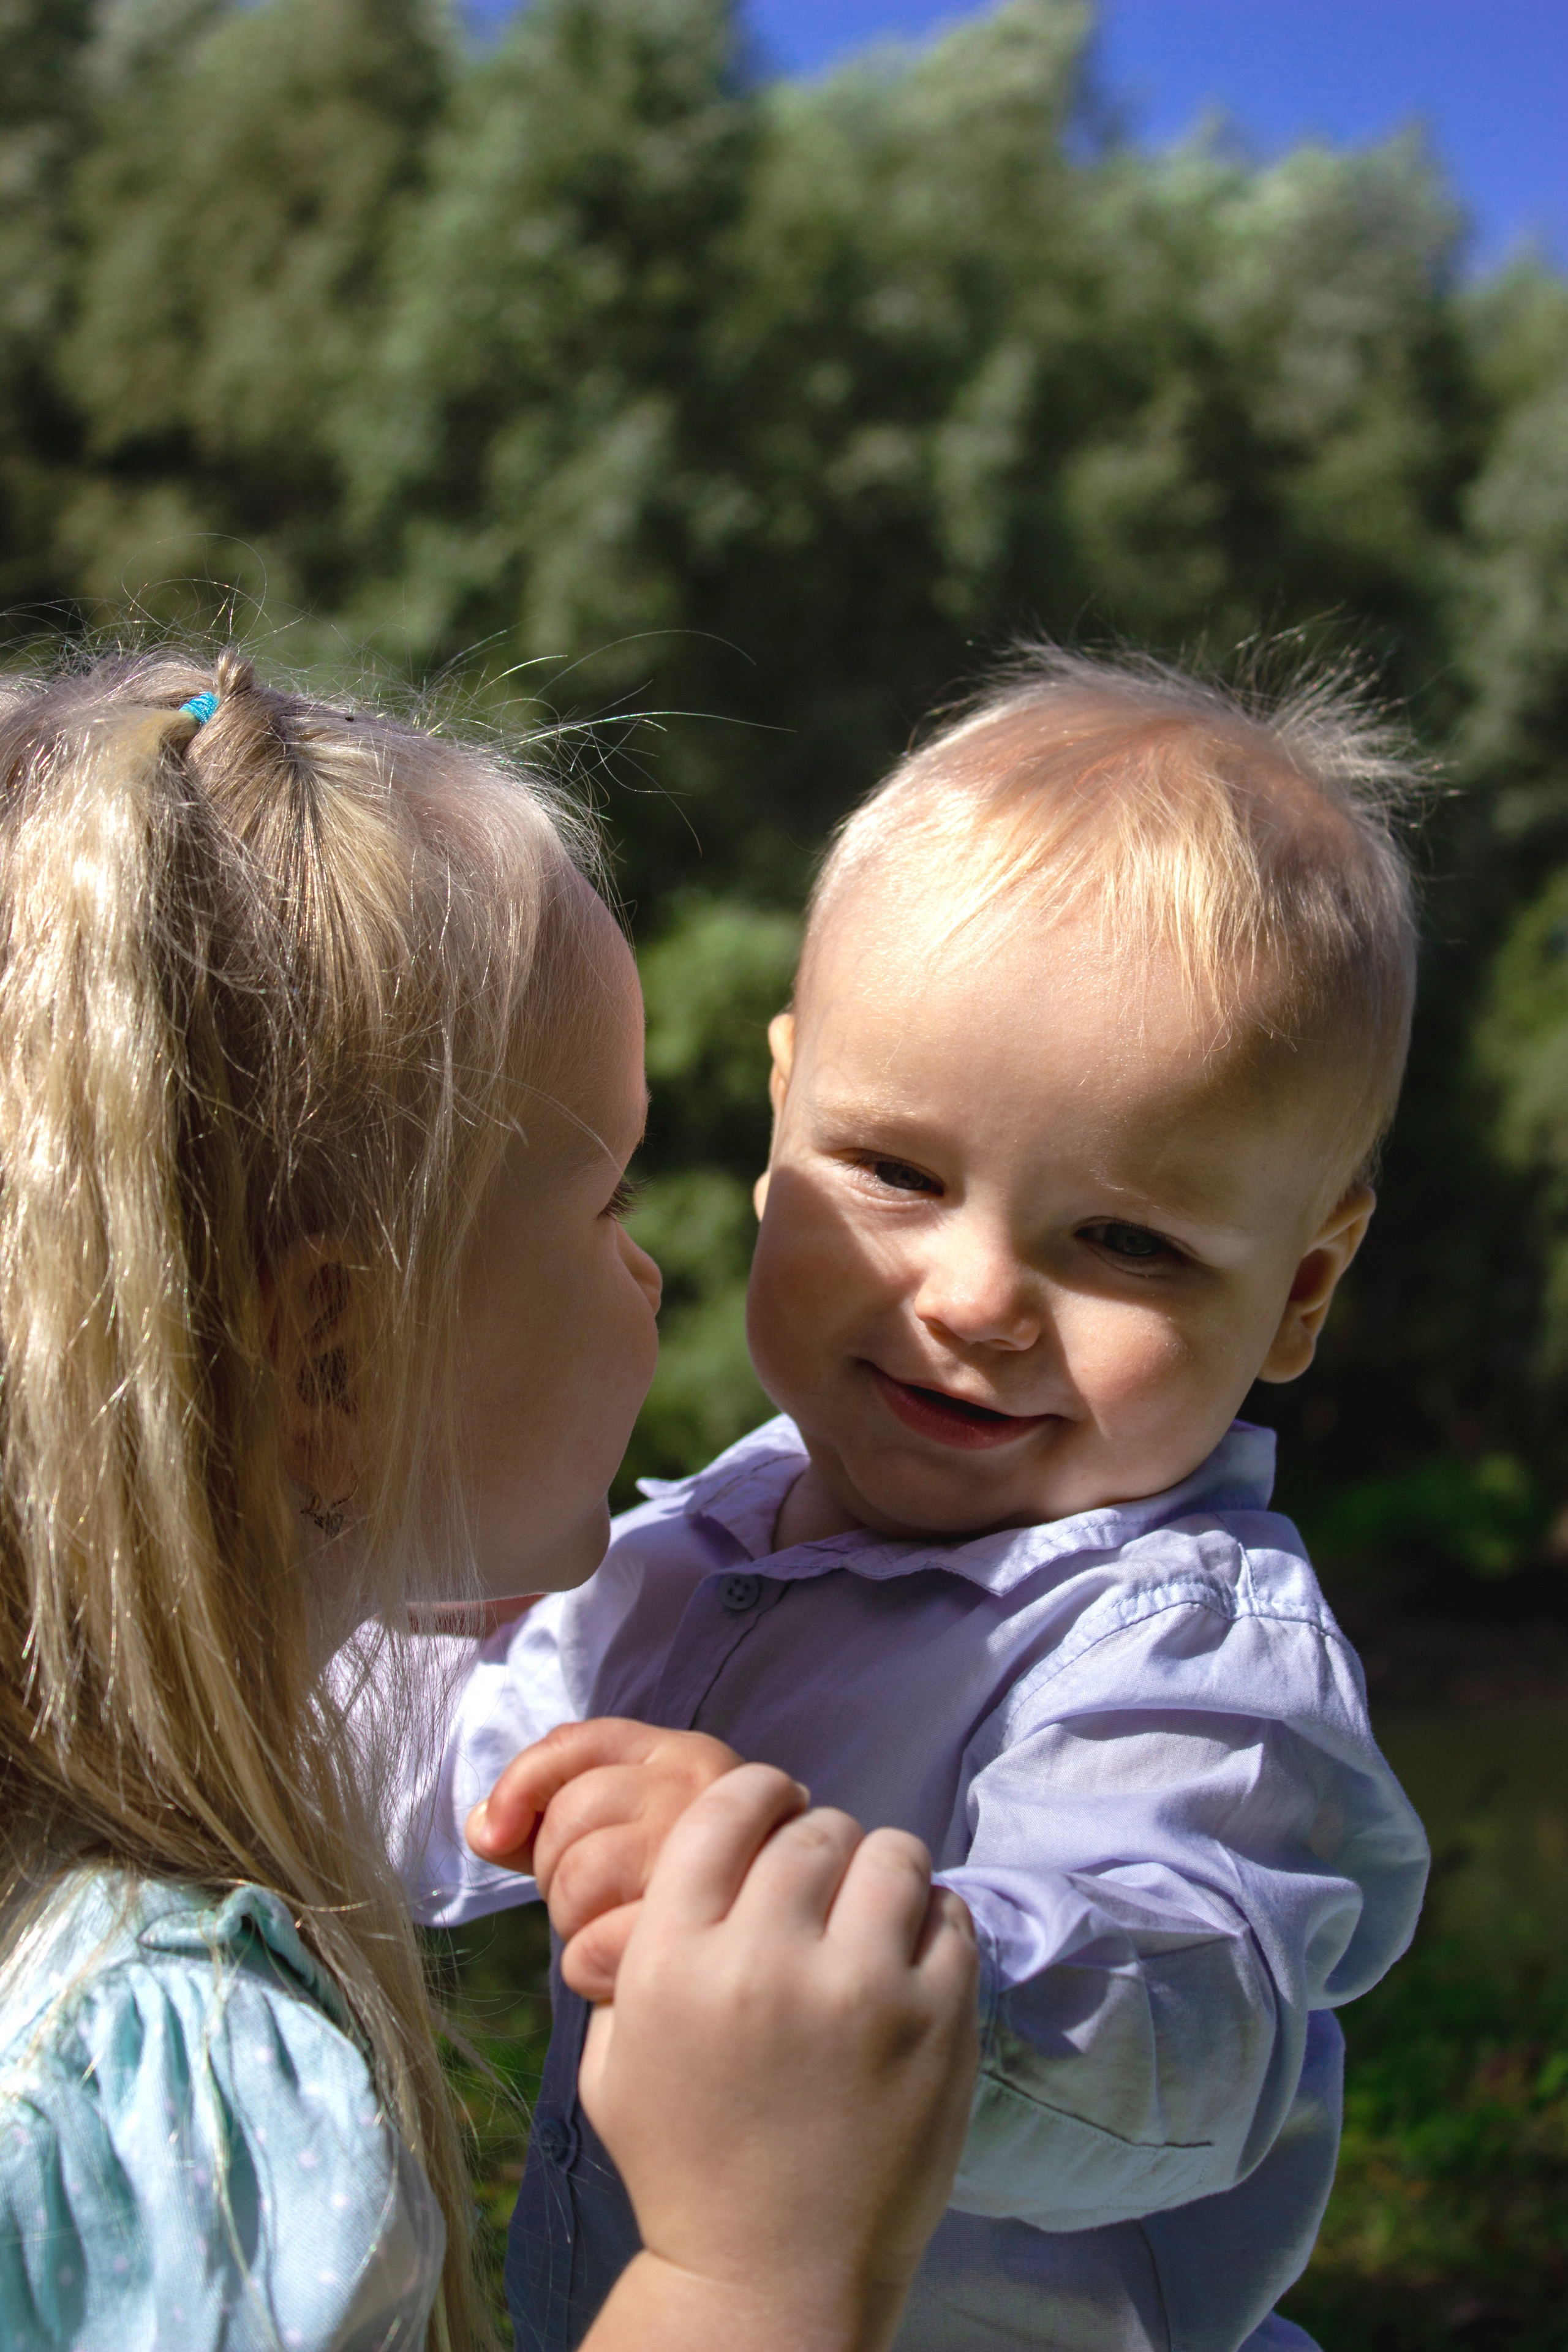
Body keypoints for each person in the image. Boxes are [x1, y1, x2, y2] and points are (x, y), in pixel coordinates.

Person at [404, 649, 1434, 2352]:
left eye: (1127, 1243)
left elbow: (1173, 2031)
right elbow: (448, 1768)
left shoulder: (1182, 1652)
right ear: (782, 1107)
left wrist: (836, 1930)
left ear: (1306, 1287)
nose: (970, 1298)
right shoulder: (720, 1537)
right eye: (896, 1172)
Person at [0, 649, 979, 2352]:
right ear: (331, 1362)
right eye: (603, 1198)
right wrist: (758, 2264)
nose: (657, 1271)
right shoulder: (181, 2094)